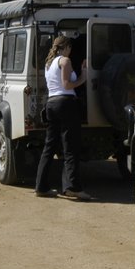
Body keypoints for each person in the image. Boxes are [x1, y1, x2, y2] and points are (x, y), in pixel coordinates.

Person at [35, 36, 92, 201]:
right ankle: (72, 187)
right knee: (70, 146)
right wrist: (83, 77)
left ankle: (41, 186)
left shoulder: (48, 64)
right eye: (70, 47)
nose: (71, 50)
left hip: (51, 104)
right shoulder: (65, 61)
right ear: (66, 47)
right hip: (66, 103)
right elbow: (67, 85)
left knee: (50, 146)